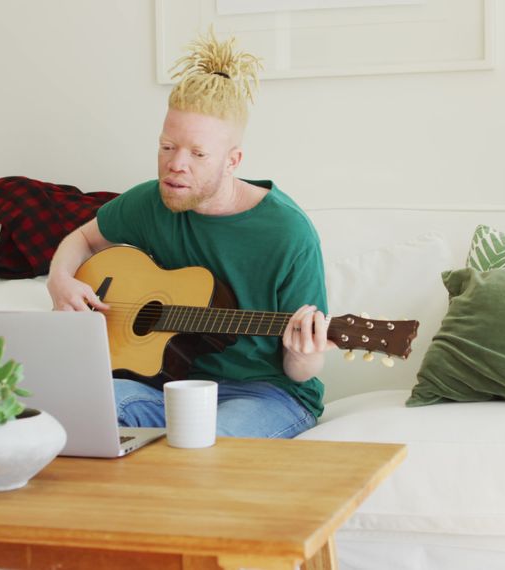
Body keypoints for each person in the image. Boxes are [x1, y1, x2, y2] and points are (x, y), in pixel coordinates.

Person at [46, 30, 332, 439]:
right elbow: (84, 239)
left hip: (266, 393)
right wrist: (60, 281)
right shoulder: (150, 201)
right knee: (72, 408)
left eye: (198, 154)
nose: (176, 165)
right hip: (166, 387)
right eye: (167, 147)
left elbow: (300, 370)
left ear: (233, 161)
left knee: (207, 446)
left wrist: (306, 353)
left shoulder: (288, 233)